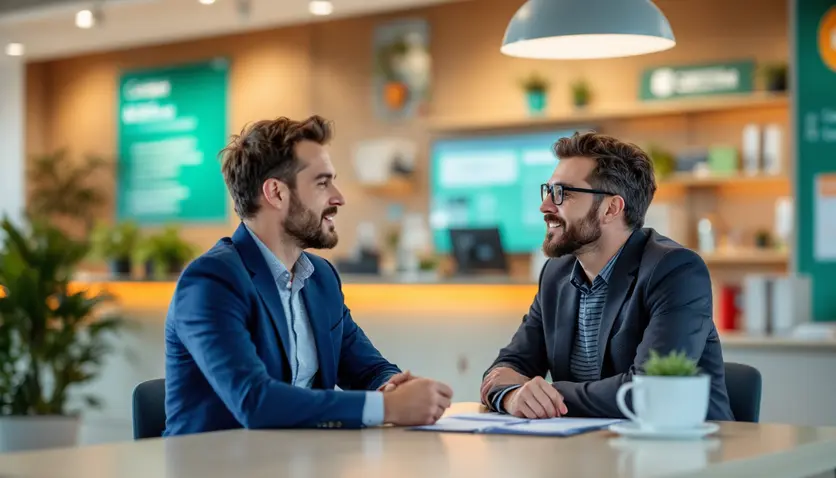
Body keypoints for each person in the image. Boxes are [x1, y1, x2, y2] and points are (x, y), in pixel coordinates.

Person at [163, 115, 452, 436]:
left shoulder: (321, 277)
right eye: (322, 183)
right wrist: (388, 408)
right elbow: (255, 401)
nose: (338, 197)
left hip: (298, 462)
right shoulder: (211, 281)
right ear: (276, 192)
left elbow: (367, 369)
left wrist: (393, 386)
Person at [479, 131, 734, 421]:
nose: (546, 206)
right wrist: (513, 396)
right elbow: (507, 367)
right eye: (547, 191)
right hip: (593, 454)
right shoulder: (556, 275)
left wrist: (546, 395)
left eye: (562, 193)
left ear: (611, 208)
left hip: (686, 454)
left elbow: (649, 391)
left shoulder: (676, 271)